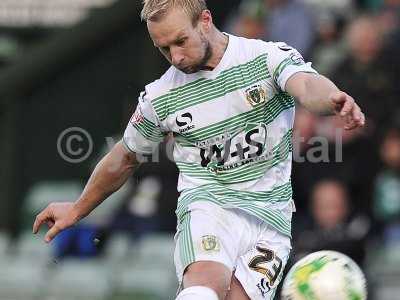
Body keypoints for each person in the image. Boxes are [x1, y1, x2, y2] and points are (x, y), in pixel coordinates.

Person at [32, 1, 365, 299]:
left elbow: (307, 85)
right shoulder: (161, 96)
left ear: (205, 20)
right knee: (205, 283)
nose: (175, 56)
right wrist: (78, 208)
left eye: (181, 41)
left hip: (270, 216)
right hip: (208, 203)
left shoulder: (264, 58)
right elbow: (124, 157)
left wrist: (333, 99)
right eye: (164, 49)